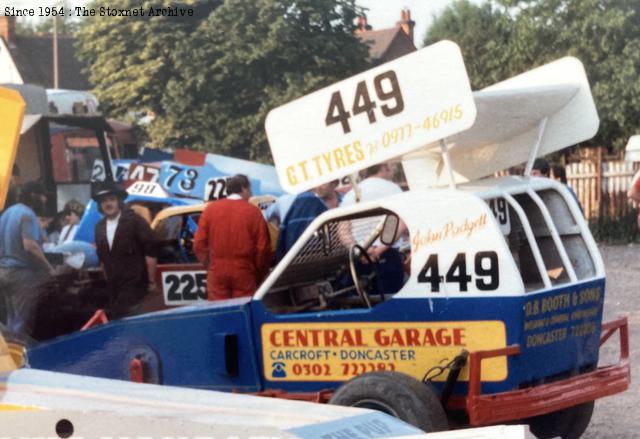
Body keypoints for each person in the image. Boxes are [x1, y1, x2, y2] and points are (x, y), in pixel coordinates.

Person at [194, 174, 271, 300]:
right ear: (244, 189)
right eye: (250, 190)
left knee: (220, 310)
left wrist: (211, 265)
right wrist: (257, 272)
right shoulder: (253, 212)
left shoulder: (210, 210)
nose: (251, 194)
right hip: (244, 271)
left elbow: (198, 244)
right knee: (243, 310)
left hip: (217, 271)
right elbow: (262, 247)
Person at [93, 182, 158, 319]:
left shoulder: (135, 221)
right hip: (114, 285)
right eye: (104, 201)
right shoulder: (99, 227)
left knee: (126, 317)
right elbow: (102, 259)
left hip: (134, 283)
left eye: (111, 199)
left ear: (119, 201)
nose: (108, 204)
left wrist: (151, 281)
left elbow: (151, 251)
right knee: (119, 317)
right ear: (100, 205)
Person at [0, 181, 55, 334]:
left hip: (3, 272)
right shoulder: (27, 215)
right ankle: (22, 356)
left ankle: (10, 355)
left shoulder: (6, 213)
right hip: (21, 276)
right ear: (33, 195)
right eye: (43, 196)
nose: (45, 199)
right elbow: (29, 245)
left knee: (11, 319)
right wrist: (49, 268)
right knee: (23, 324)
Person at [275, 180, 339, 261]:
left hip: (299, 262)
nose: (319, 185)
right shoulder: (308, 200)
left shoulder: (344, 199)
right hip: (312, 261)